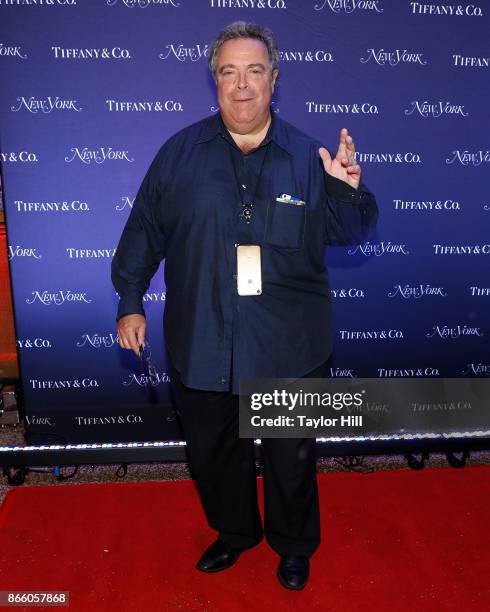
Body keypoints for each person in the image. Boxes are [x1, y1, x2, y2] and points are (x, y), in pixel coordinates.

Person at [112, 21, 378, 590]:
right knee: (212, 455)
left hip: (289, 345)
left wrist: (347, 189)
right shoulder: (178, 155)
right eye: (229, 71)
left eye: (254, 71)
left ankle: (294, 545)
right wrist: (130, 301)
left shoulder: (313, 157)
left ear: (273, 81)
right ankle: (235, 534)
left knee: (292, 460)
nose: (241, 85)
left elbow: (352, 230)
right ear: (215, 81)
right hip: (202, 340)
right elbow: (143, 233)